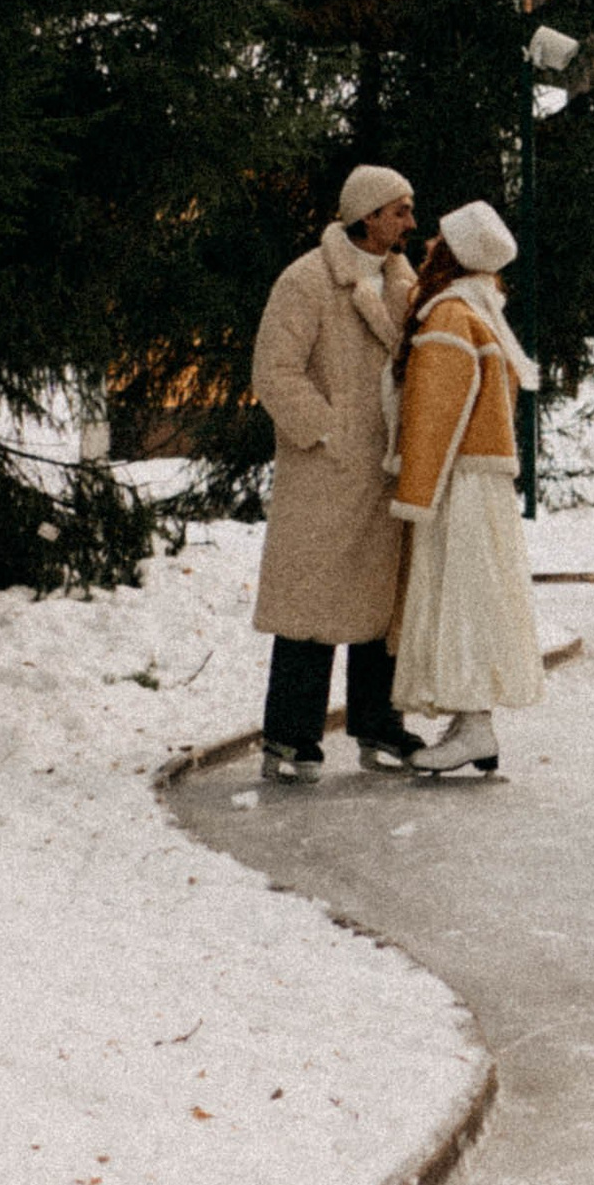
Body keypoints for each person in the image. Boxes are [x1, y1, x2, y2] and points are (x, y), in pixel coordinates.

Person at [250, 164, 436, 785]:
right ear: (367, 215)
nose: (411, 221)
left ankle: (379, 722)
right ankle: (290, 733)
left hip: (385, 470)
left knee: (381, 603)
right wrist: (329, 431)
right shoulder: (307, 281)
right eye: (400, 210)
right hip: (326, 474)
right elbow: (275, 371)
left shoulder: (401, 281)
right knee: (313, 599)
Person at [389, 197, 547, 774]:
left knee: (459, 599)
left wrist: (413, 489)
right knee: (477, 594)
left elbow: (436, 410)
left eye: (439, 239)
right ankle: (471, 721)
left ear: (453, 254)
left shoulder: (450, 315)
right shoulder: (481, 309)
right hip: (481, 480)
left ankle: (474, 724)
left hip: (458, 483)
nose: (429, 245)